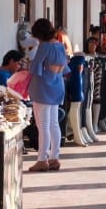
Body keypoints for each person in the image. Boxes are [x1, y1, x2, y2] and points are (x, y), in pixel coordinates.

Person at [27, 18, 69, 171]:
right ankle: (54, 157)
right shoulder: (60, 45)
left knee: (42, 126)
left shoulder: (44, 46)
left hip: (43, 88)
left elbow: (36, 67)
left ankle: (41, 159)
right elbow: (65, 69)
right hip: (57, 86)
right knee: (54, 124)